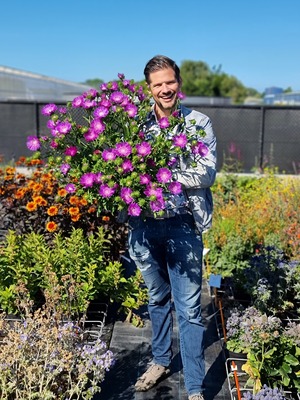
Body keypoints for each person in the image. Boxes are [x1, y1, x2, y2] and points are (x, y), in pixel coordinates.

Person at [128, 55, 217, 400]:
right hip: (144, 224)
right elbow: (124, 173)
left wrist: (163, 178)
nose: (165, 89)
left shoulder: (198, 124)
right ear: (148, 89)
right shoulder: (135, 126)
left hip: (183, 223)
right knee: (156, 297)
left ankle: (194, 386)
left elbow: (207, 172)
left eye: (170, 82)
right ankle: (161, 360)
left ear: (179, 83)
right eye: (157, 84)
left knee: (191, 308)